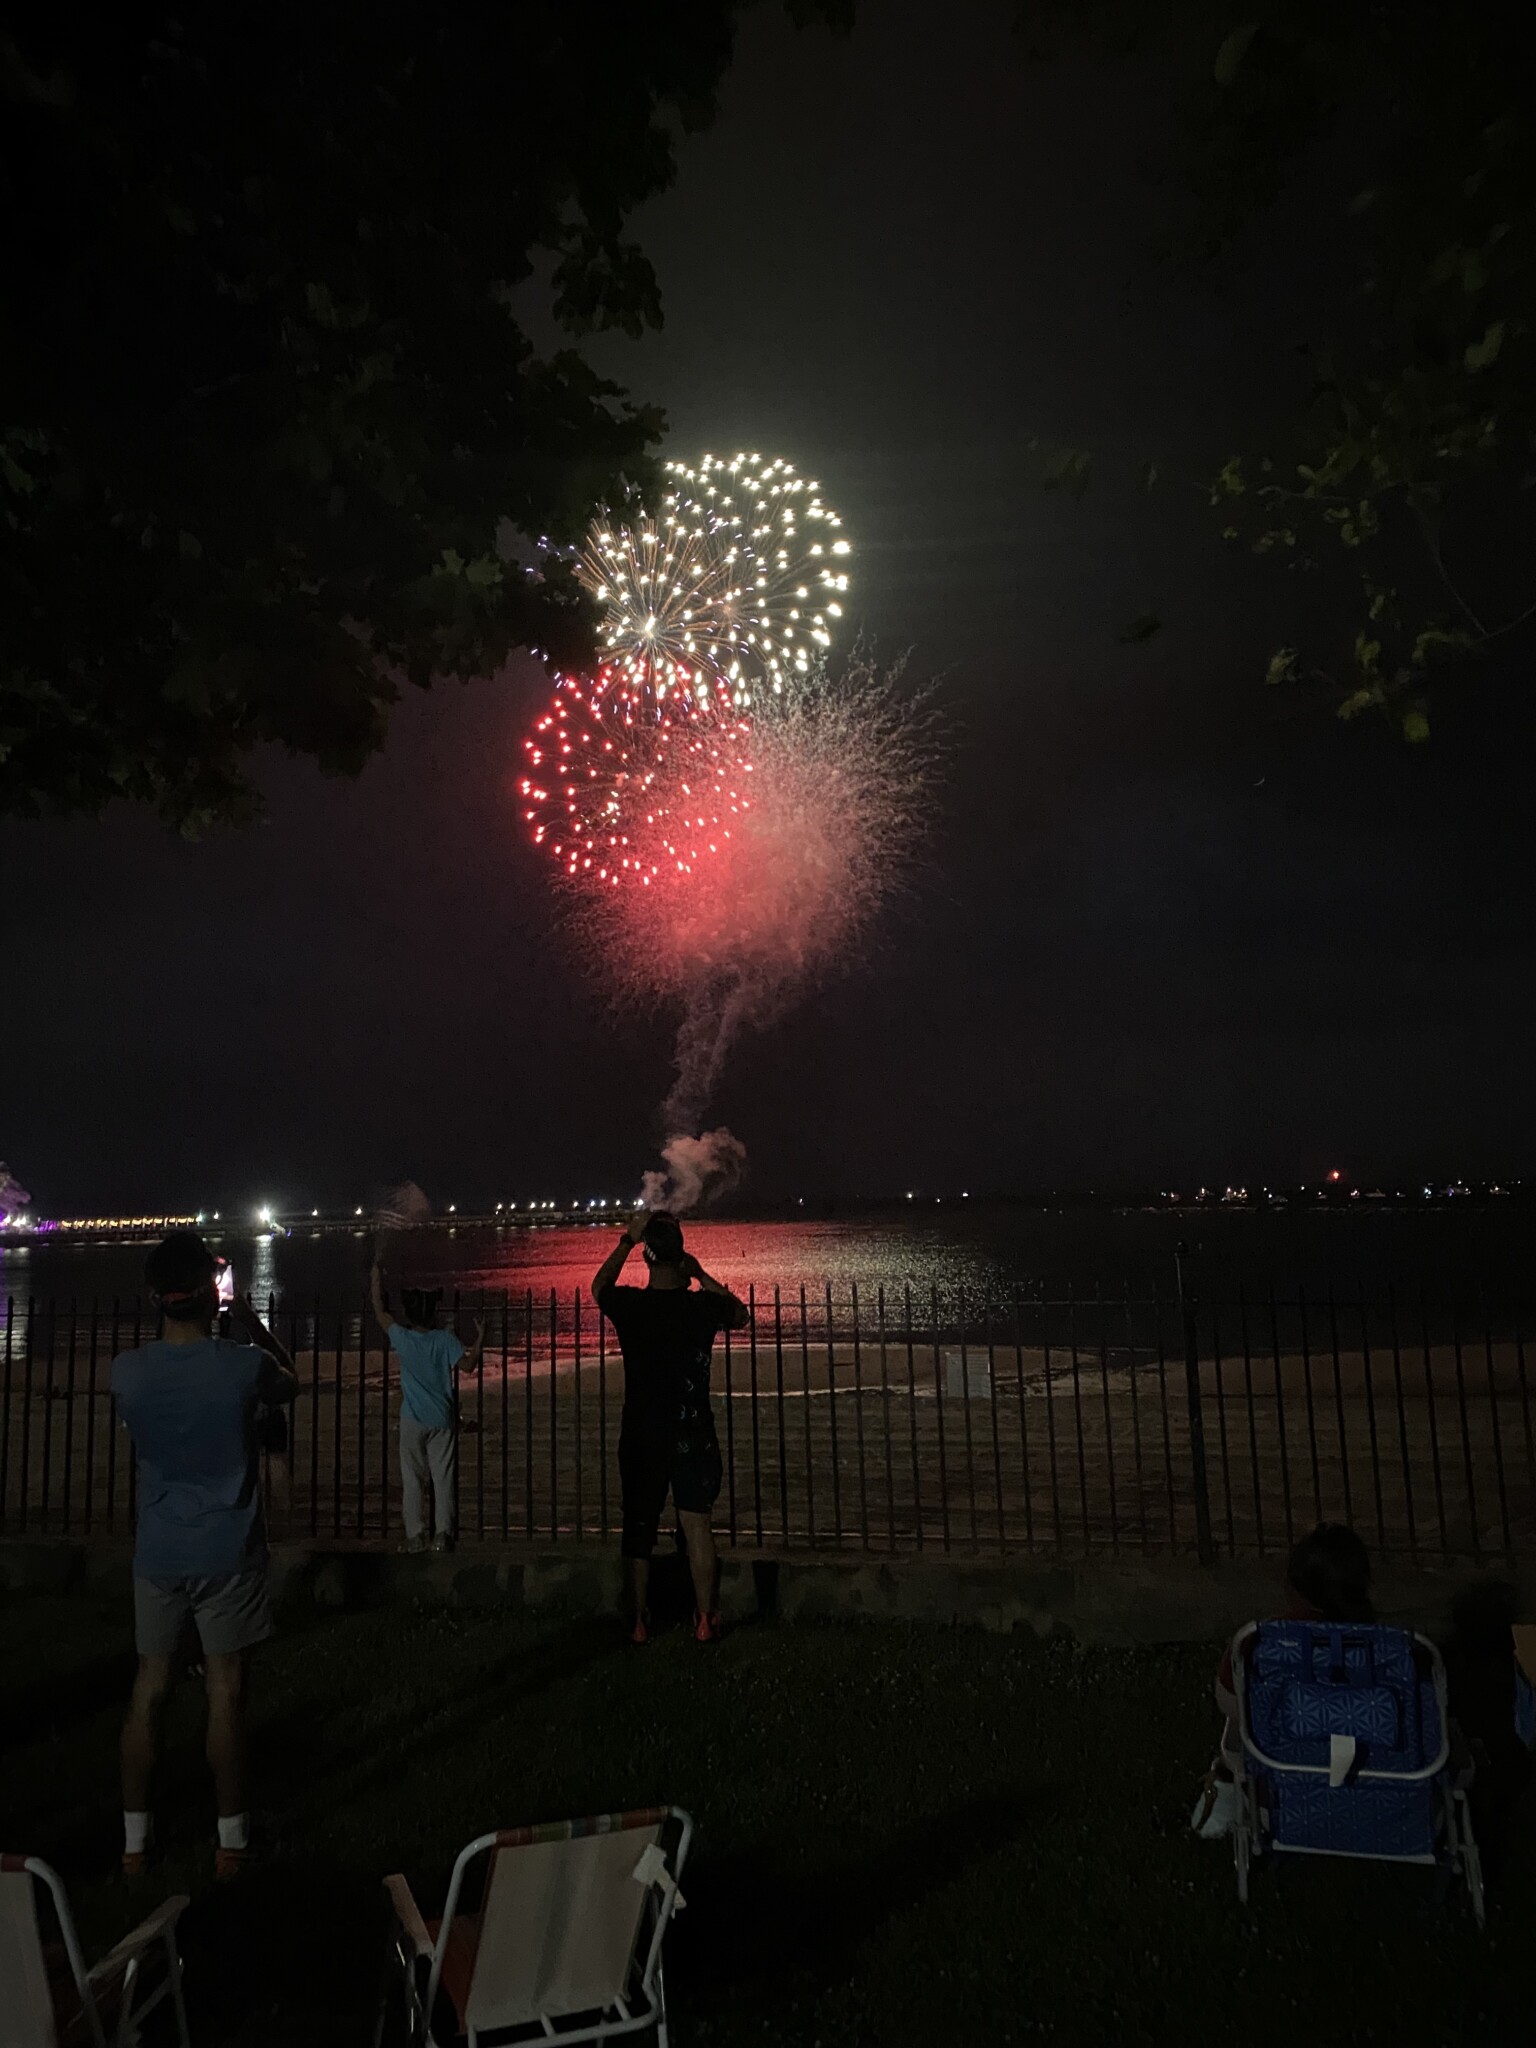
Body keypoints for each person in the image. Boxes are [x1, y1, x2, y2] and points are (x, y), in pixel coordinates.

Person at [111, 1229, 298, 1880]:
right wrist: (250, 1322)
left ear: (154, 1297)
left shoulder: (127, 1373)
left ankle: (135, 1849)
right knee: (226, 1693)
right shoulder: (241, 1365)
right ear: (210, 1293)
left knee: (149, 1691)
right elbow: (291, 1384)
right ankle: (230, 1845)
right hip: (228, 1548)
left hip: (158, 1550)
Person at [592, 1208, 749, 1645]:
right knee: (697, 1524)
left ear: (648, 1256)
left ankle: (640, 1621)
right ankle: (704, 1618)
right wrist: (700, 1274)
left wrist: (626, 1239)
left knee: (639, 1526)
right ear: (681, 1257)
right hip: (692, 1429)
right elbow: (741, 1314)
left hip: (643, 1429)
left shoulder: (632, 1307)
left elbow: (599, 1287)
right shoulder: (700, 1307)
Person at [1194, 1523, 1375, 1838]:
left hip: (1280, 1803)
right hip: (1377, 1803)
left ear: (1295, 1585)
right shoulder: (1389, 1651)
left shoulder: (1260, 1642)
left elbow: (1227, 1701)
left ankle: (1223, 1791)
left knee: (1239, 1726)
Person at [369, 1262, 484, 1554]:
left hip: (412, 1419)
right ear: (433, 1312)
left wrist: (375, 1280)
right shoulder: (444, 1340)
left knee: (413, 1480)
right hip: (442, 1418)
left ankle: (415, 1535)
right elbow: (469, 1366)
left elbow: (380, 1312)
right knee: (443, 1479)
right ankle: (442, 1535)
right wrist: (480, 1340)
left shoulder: (403, 1338)